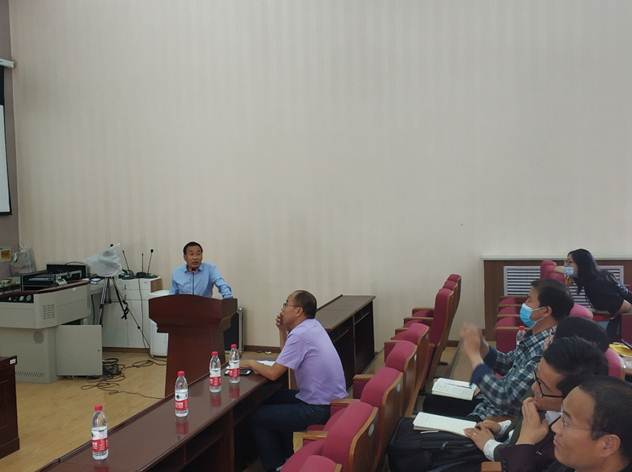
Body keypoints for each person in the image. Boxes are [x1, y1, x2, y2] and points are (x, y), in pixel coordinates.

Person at [424, 279, 573, 420]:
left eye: (529, 300)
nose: (524, 304)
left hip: (494, 418)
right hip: (488, 404)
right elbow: (508, 362)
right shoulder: (535, 336)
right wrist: (483, 346)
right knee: (431, 401)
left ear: (545, 311)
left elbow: (504, 397)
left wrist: (474, 356)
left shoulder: (546, 351)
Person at [241, 290, 347, 472]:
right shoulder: (311, 326)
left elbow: (274, 373)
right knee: (269, 398)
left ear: (298, 311)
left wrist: (250, 362)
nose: (282, 309)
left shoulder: (301, 334)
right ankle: (287, 458)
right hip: (326, 399)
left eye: (286, 304)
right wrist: (282, 330)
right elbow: (286, 359)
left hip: (319, 407)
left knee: (258, 417)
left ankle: (276, 467)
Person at [545, 377, 632, 471]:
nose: (555, 427)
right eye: (561, 415)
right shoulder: (575, 462)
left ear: (607, 445)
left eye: (566, 422)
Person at [562, 248, 632, 341]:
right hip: (620, 315)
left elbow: (626, 307)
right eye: (565, 262)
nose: (566, 265)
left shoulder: (596, 284)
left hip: (626, 319)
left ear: (582, 265)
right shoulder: (595, 276)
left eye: (569, 262)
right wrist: (567, 280)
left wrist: (594, 310)